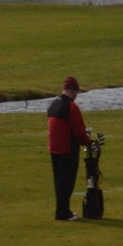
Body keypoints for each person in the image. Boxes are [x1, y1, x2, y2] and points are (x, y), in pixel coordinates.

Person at [46, 76, 93, 221]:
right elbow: (78, 130)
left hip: (54, 148)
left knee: (59, 181)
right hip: (67, 149)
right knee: (67, 182)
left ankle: (61, 210)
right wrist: (87, 142)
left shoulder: (53, 104)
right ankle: (63, 212)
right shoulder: (71, 107)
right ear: (73, 91)